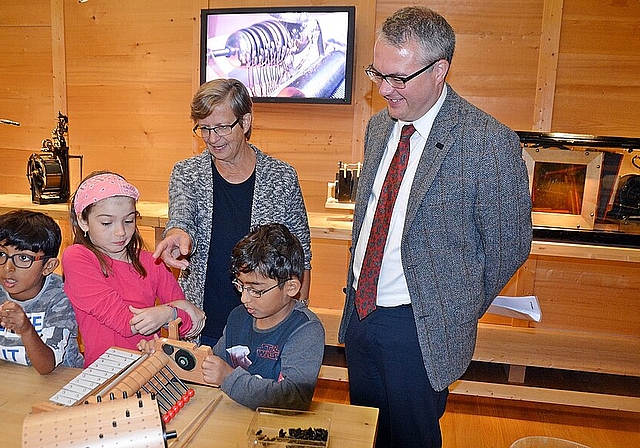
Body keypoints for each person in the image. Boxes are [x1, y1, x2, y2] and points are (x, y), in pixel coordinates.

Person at [338, 7, 533, 448]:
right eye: (378, 73)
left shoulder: (487, 142)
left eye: (398, 78)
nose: (384, 89)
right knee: (364, 437)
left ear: (439, 69)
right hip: (362, 314)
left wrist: (453, 303)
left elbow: (510, 246)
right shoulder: (377, 129)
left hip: (420, 328)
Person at [153, 78, 312, 348]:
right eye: (204, 129)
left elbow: (302, 255)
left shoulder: (281, 177)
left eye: (222, 127)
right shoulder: (187, 173)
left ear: (245, 122)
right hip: (203, 322)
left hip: (265, 325)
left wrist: (296, 318)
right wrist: (177, 233)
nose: (213, 139)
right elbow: (181, 217)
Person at [142, 223, 324, 410]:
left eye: (255, 290)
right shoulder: (239, 317)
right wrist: (166, 356)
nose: (244, 298)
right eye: (241, 286)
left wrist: (229, 378)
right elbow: (211, 365)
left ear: (291, 288)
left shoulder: (305, 330)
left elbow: (295, 397)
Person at [62, 171, 205, 366]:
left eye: (129, 221)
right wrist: (177, 309)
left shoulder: (153, 262)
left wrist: (169, 314)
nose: (121, 232)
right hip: (104, 375)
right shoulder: (77, 258)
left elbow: (189, 327)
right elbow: (126, 323)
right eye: (106, 223)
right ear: (83, 221)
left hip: (152, 371)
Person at [0, 210, 84, 374]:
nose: (8, 268)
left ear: (48, 266)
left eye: (24, 258)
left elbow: (47, 366)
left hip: (60, 382)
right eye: (2, 254)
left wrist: (26, 329)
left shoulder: (61, 296)